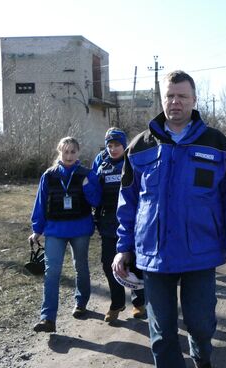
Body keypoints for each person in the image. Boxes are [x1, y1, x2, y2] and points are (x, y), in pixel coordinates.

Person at [112, 70, 226, 368]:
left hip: (200, 252)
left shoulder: (217, 144)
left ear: (194, 100)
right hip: (154, 255)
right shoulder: (140, 146)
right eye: (169, 96)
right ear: (162, 100)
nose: (175, 102)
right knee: (161, 336)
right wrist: (123, 247)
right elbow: (128, 202)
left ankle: (202, 360)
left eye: (182, 96)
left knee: (200, 325)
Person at [29, 136, 101, 333]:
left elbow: (96, 200)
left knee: (80, 266)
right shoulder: (49, 175)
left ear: (78, 153)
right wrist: (37, 229)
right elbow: (41, 204)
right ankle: (48, 318)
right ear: (59, 152)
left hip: (80, 229)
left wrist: (86, 185)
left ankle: (81, 303)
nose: (69, 155)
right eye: (65, 151)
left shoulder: (87, 173)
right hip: (55, 230)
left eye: (72, 152)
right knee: (51, 272)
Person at [94, 127, 146, 323]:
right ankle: (116, 303)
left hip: (131, 223)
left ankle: (139, 302)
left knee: (133, 264)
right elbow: (95, 195)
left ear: (124, 146)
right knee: (109, 264)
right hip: (108, 224)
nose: (113, 149)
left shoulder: (132, 163)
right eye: (110, 145)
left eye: (117, 145)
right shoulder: (101, 167)